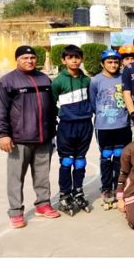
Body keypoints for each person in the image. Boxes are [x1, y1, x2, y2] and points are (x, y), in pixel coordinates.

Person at [0, 45, 59, 228]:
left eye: (32, 58)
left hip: (43, 137)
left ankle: (43, 204)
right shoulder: (7, 81)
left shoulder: (44, 79)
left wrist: (53, 130)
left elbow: (53, 106)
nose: (29, 61)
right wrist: (3, 134)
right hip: (19, 139)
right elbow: (0, 110)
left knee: (42, 174)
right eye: (25, 58)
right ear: (17, 60)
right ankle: (16, 211)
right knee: (16, 177)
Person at [51, 44, 95, 216]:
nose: (74, 60)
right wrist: (60, 118)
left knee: (80, 161)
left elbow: (91, 100)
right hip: (67, 126)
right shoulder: (58, 81)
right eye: (70, 57)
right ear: (64, 60)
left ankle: (78, 191)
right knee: (67, 161)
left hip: (85, 124)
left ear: (81, 59)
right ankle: (65, 194)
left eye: (77, 57)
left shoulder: (86, 80)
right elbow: (52, 104)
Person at [90, 49, 131, 210]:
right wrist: (103, 115)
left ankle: (118, 187)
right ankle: (106, 188)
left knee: (120, 158)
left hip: (122, 124)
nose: (113, 65)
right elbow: (93, 102)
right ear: (102, 64)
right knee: (106, 157)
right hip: (104, 126)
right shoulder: (96, 81)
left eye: (116, 62)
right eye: (109, 62)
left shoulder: (123, 78)